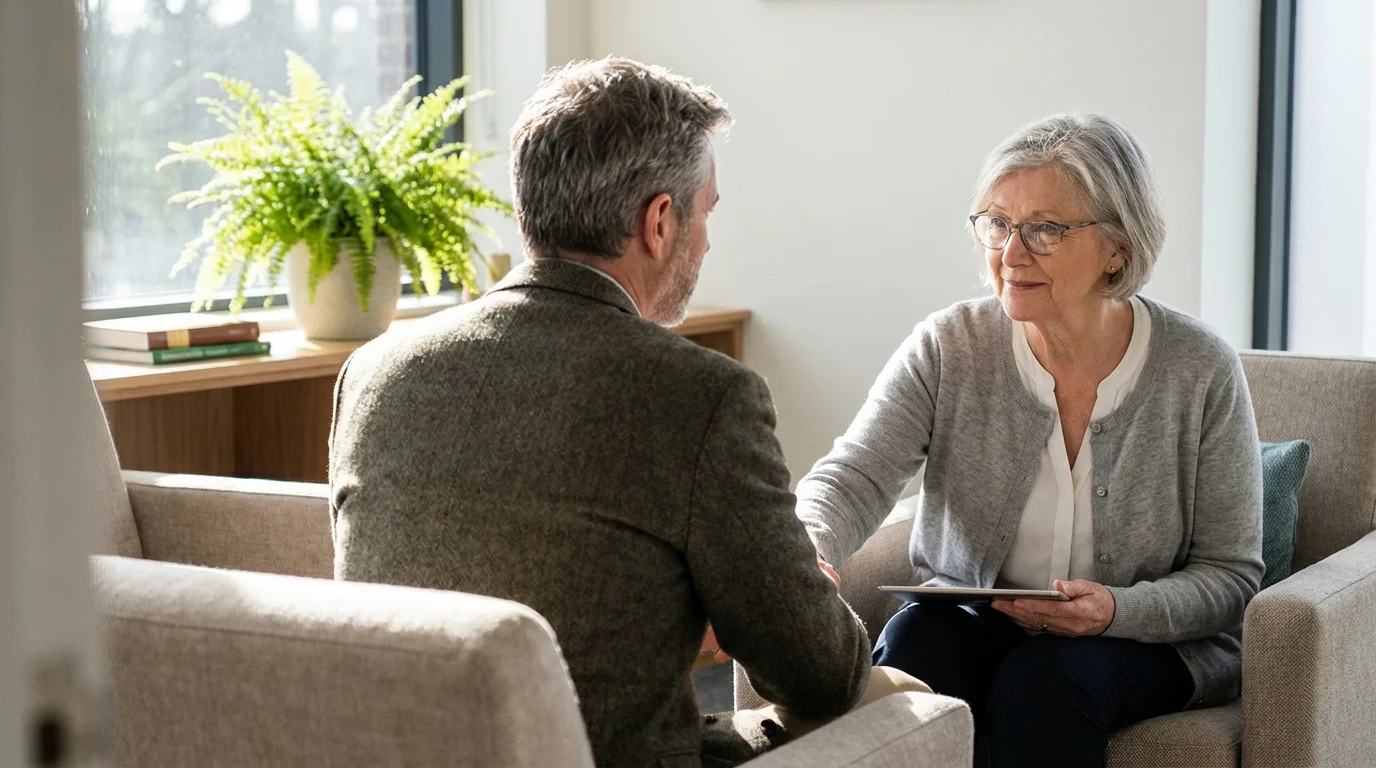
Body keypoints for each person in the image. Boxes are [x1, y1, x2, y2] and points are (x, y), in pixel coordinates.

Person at [330, 57, 909, 767]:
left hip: (398, 751)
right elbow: (819, 675)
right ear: (659, 222)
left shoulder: (375, 372)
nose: (705, 241)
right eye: (706, 213)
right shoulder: (701, 396)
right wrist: (775, 601)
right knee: (898, 700)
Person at [796, 113, 1264, 768]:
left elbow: (1231, 576)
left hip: (1147, 640)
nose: (1011, 255)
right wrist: (804, 552)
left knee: (1049, 680)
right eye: (997, 223)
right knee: (914, 651)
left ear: (1118, 247)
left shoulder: (1200, 368)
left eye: (1044, 229)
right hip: (977, 618)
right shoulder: (949, 346)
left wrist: (1114, 611)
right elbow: (853, 476)